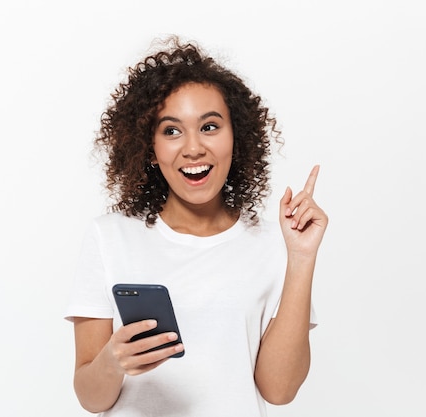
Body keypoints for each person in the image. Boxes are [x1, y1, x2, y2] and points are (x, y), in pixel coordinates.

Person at [65, 35, 328, 417]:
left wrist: (301, 258)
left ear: (235, 138)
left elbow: (280, 390)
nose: (193, 148)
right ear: (150, 148)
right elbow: (90, 398)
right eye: (171, 131)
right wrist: (113, 360)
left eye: (209, 127)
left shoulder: (275, 245)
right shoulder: (110, 236)